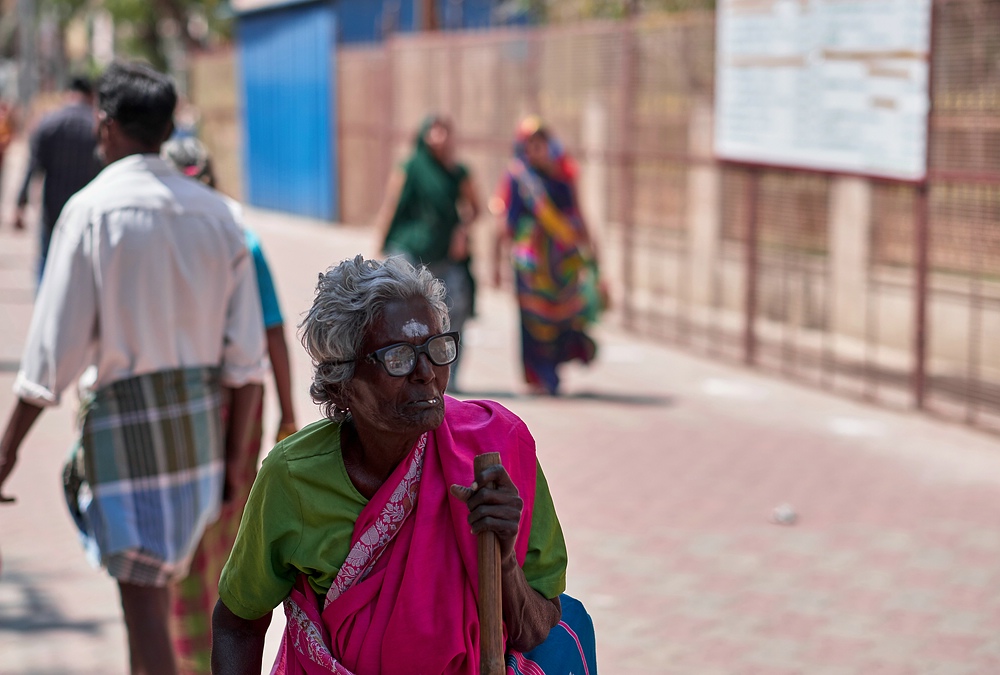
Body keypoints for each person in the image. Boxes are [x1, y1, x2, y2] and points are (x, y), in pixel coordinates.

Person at [0, 61, 267, 675]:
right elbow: (246, 362)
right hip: (200, 433)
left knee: (144, 603)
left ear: (106, 125)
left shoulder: (92, 212)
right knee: (160, 600)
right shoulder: (219, 216)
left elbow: (50, 359)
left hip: (125, 432)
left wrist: (8, 448)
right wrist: (234, 465)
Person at [211, 255, 596, 675]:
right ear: (341, 382)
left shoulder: (496, 448)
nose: (426, 373)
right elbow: (238, 624)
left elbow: (538, 630)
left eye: (437, 348)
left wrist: (502, 559)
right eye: (399, 358)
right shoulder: (293, 477)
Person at [161, 135, 298, 674]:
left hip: (224, 408)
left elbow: (271, 334)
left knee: (218, 540)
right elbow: (270, 336)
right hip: (210, 405)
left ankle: (192, 655)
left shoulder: (237, 242)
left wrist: (286, 414)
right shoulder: (219, 238)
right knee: (203, 542)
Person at [491, 116, 603, 396]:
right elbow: (505, 223)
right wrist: (495, 261)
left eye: (541, 144)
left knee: (562, 318)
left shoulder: (563, 179)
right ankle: (538, 373)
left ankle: (554, 368)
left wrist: (593, 256)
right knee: (532, 320)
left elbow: (577, 216)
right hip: (530, 267)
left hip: (562, 265)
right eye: (531, 145)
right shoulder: (519, 179)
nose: (536, 150)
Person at [374, 114, 481, 391]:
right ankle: (398, 370)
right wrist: (379, 244)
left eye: (445, 131)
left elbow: (475, 208)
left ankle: (449, 376)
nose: (440, 137)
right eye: (434, 131)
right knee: (399, 310)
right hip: (410, 250)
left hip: (445, 254)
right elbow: (391, 206)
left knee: (454, 309)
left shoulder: (458, 173)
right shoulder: (410, 168)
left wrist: (462, 231)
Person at [14, 74, 102, 282]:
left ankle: (45, 309)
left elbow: (32, 168)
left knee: (47, 260)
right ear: (91, 96)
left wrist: (20, 204)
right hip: (89, 211)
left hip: (52, 208)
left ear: (67, 94)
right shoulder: (98, 127)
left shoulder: (48, 123)